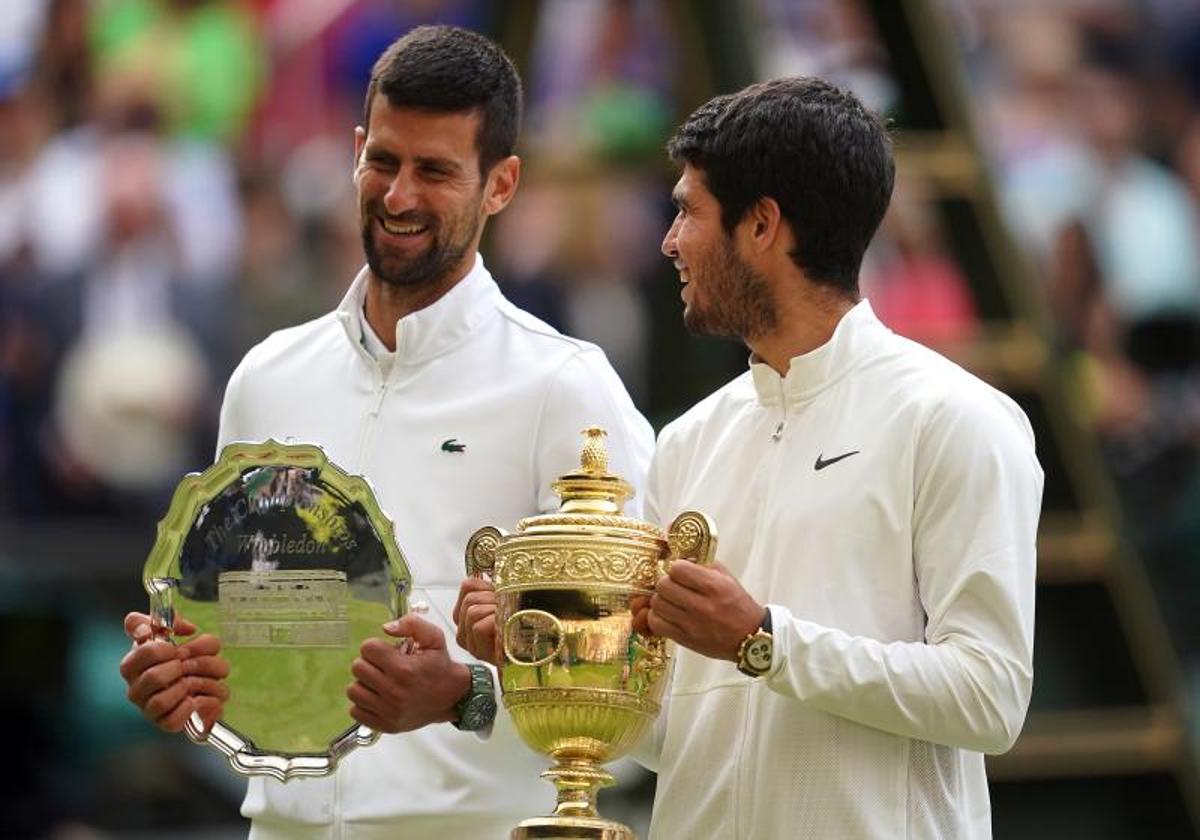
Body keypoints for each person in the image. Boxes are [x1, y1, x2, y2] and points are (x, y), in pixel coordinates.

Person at [456, 77, 1042, 838]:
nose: (669, 241)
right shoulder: (689, 442)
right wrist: (538, 659)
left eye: (688, 212)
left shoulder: (954, 419)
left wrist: (763, 639)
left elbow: (989, 699)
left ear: (762, 225)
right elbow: (684, 736)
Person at [118, 25, 654, 840]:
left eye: (436, 171)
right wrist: (182, 681)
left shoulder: (566, 388)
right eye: (384, 162)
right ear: (356, 149)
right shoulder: (267, 377)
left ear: (501, 185)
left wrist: (462, 696)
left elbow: (642, 690)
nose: (399, 196)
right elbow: (236, 632)